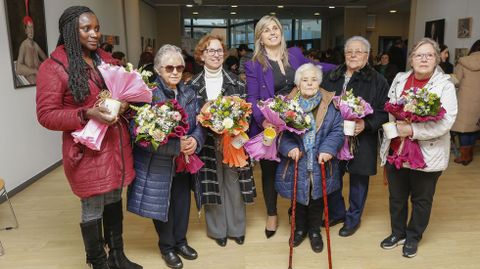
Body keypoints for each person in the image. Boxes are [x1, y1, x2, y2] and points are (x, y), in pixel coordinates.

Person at [35, 6, 141, 269]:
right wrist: (87, 113)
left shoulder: (106, 60)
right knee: (93, 206)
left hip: (116, 146)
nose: (94, 34)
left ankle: (117, 256)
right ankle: (98, 262)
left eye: (96, 28)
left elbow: (124, 92)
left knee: (114, 200)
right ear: (71, 31)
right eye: (86, 29)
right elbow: (46, 115)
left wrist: (126, 103)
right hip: (87, 150)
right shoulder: (54, 67)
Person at [245, 15, 336, 239]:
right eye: (266, 30)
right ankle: (272, 214)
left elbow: (314, 68)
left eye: (275, 28)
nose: (273, 32)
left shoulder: (294, 54)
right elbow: (252, 98)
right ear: (260, 37)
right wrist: (264, 121)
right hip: (271, 125)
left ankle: (298, 211)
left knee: (299, 165)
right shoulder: (253, 64)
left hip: (300, 120)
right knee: (269, 172)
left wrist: (343, 68)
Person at [127, 44, 205, 269]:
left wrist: (196, 140)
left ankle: (181, 241)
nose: (175, 72)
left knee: (181, 203)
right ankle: (167, 247)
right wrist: (175, 146)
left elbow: (200, 124)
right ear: (158, 69)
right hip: (157, 164)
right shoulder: (147, 94)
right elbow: (138, 133)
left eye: (179, 67)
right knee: (163, 206)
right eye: (169, 67)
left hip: (184, 163)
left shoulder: (189, 92)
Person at [379, 37, 457, 258]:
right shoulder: (400, 78)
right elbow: (391, 107)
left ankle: (413, 237)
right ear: (411, 59)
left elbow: (445, 121)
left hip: (427, 152)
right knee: (396, 196)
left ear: (437, 59)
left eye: (429, 55)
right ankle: (397, 232)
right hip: (397, 149)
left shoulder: (445, 85)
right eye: (418, 55)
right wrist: (396, 128)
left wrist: (412, 131)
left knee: (421, 199)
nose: (424, 59)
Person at [188, 34, 255, 247]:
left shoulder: (237, 83)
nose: (215, 55)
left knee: (234, 184)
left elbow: (248, 114)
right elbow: (191, 116)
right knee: (212, 184)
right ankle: (218, 230)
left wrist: (235, 127)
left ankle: (237, 228)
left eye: (219, 51)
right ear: (201, 55)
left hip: (233, 142)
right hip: (206, 143)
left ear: (224, 54)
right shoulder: (192, 85)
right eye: (210, 50)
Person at [321, 36, 389, 237]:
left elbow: (385, 111)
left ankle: (353, 218)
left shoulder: (378, 80)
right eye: (349, 51)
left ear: (367, 55)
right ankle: (337, 212)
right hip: (334, 136)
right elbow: (322, 102)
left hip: (362, 138)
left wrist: (366, 123)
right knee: (332, 176)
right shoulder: (331, 75)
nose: (353, 55)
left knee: (359, 180)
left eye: (358, 52)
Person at [275, 63, 344, 253]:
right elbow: (280, 133)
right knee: (298, 197)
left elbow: (337, 130)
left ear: (319, 82)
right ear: (298, 83)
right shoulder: (287, 104)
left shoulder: (330, 103)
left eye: (314, 79)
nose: (309, 83)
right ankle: (299, 230)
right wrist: (289, 148)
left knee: (317, 198)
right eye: (305, 80)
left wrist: (329, 149)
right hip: (297, 161)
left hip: (321, 160)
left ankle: (314, 231)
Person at [450, 39, 480, 165]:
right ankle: (469, 155)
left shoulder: (464, 62)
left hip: (465, 99)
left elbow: (456, 81)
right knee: (474, 126)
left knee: (464, 127)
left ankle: (464, 156)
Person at [16, 14, 47, 84]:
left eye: (32, 27)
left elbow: (47, 60)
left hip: (40, 83)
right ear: (25, 31)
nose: (31, 31)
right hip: (29, 85)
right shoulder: (23, 45)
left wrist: (41, 64)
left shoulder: (35, 45)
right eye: (28, 27)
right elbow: (18, 69)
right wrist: (35, 71)